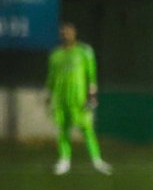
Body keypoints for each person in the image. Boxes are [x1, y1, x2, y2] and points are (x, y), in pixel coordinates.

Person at [46, 22, 113, 175]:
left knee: (87, 129)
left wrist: (92, 93)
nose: (66, 35)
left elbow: (91, 73)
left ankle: (97, 161)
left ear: (74, 34)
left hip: (80, 99)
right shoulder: (55, 54)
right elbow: (51, 77)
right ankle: (64, 161)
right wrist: (49, 94)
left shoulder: (84, 52)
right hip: (61, 99)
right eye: (63, 33)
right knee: (63, 130)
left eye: (68, 32)